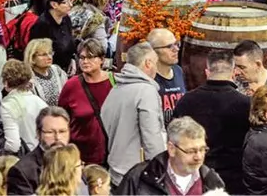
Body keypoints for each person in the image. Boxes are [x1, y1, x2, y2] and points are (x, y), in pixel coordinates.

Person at [173, 50, 249, 195]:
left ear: (207, 72)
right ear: (234, 73)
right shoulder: (246, 104)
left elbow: (174, 138)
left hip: (195, 179)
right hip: (235, 182)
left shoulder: (186, 101)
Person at [101, 41, 166, 187]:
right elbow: (152, 136)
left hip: (116, 170)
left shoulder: (115, 90)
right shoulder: (146, 92)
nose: (157, 68)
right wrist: (161, 169)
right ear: (148, 63)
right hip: (139, 175)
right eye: (156, 63)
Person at [116, 116, 225, 196]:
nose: (199, 157)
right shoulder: (139, 177)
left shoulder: (212, 182)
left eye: (202, 149)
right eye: (191, 151)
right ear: (171, 149)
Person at [57, 39, 113, 167]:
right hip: (81, 157)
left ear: (102, 59)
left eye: (90, 57)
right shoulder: (71, 86)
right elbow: (61, 118)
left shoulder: (114, 82)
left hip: (112, 154)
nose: (85, 61)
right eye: (82, 57)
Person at [5, 106, 70, 196]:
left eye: (62, 131)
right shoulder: (22, 171)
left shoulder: (75, 162)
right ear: (38, 134)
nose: (58, 138)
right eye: (50, 132)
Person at [0, 59, 48, 154]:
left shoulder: (7, 105)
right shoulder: (40, 102)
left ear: (6, 82)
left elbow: (13, 145)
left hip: (22, 158)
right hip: (42, 154)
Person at [29, 0, 76, 74]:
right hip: (48, 70)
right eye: (66, 2)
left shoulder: (66, 19)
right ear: (54, 5)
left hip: (66, 69)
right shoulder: (42, 25)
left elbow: (70, 41)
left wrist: (72, 59)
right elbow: (37, 54)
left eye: (70, 1)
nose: (71, 5)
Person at [147, 28, 186, 128]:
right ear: (154, 51)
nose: (176, 49)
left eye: (177, 44)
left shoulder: (178, 71)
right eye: (169, 46)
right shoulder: (148, 78)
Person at [24, 38, 68, 106]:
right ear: (32, 58)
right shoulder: (28, 78)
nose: (49, 57)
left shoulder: (57, 70)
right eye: (44, 54)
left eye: (50, 53)